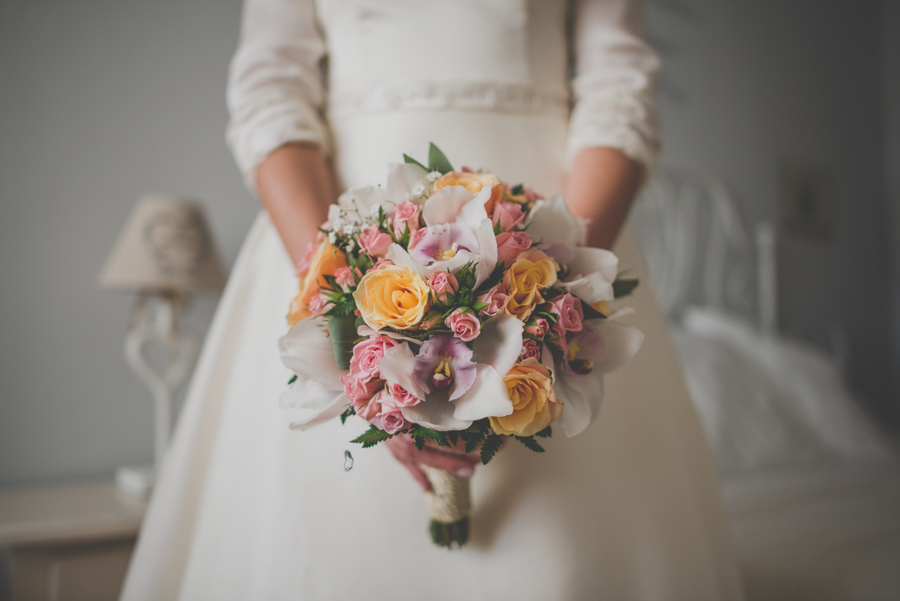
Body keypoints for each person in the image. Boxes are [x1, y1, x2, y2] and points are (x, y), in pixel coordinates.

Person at [120, 0, 744, 599]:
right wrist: (351, 323)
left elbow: (620, 87)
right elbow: (270, 91)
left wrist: (555, 295)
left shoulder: (557, 273)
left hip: (555, 228)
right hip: (344, 230)